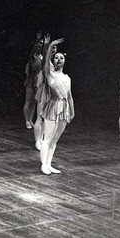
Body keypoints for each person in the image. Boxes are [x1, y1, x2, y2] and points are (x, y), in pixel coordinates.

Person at [40, 38, 74, 175]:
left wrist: (72, 111)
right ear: (53, 61)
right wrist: (50, 46)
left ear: (64, 61)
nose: (59, 60)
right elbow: (45, 63)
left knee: (55, 139)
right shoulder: (50, 75)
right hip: (53, 106)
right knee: (47, 138)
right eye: (56, 58)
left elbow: (69, 96)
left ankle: (49, 163)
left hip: (64, 108)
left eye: (61, 58)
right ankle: (43, 164)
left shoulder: (67, 78)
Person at [33, 33, 55, 150]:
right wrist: (47, 45)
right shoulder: (43, 61)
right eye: (52, 48)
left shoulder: (54, 63)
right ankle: (37, 140)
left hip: (52, 93)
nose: (53, 50)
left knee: (47, 118)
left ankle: (42, 139)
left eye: (54, 48)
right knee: (40, 116)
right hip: (43, 91)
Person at [24, 32, 44, 129]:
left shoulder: (42, 57)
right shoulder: (32, 56)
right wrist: (37, 39)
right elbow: (33, 52)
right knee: (28, 101)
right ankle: (27, 120)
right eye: (38, 43)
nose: (40, 45)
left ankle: (31, 120)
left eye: (41, 44)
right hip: (31, 80)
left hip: (38, 80)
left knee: (34, 102)